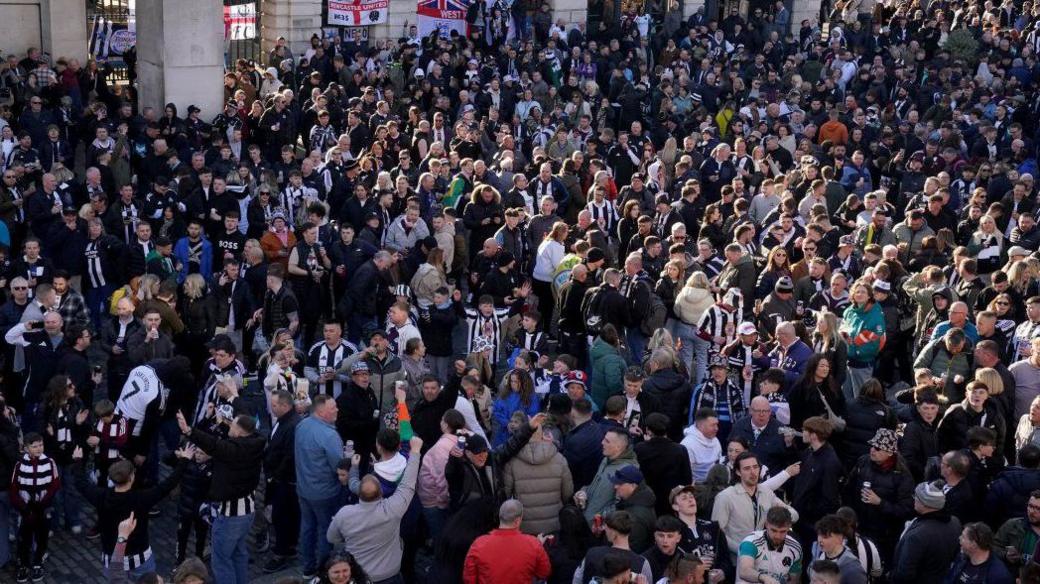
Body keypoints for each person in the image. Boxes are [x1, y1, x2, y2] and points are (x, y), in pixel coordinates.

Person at [175, 409, 265, 584]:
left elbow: (215, 445)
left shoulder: (235, 451)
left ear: (239, 432)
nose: (229, 425)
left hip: (230, 515)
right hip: (247, 511)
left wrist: (189, 431)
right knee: (238, 554)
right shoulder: (254, 443)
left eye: (232, 424)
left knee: (221, 561)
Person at [328, 434, 423, 584]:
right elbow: (407, 485)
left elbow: (332, 538)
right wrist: (415, 452)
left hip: (361, 574)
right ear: (380, 493)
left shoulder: (344, 514)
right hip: (391, 570)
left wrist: (353, 468)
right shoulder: (393, 509)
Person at [294, 394, 345, 580]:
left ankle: (307, 567)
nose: (337, 410)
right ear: (321, 411)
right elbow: (338, 466)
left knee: (307, 527)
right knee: (326, 531)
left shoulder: (302, 425)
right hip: (325, 493)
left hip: (303, 488)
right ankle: (324, 570)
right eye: (333, 408)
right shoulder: (329, 435)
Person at [712, 452, 799, 558]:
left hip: (761, 557)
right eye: (747, 468)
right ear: (738, 472)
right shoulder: (725, 496)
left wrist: (779, 515)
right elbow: (717, 532)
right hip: (735, 559)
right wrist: (742, 549)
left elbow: (793, 515)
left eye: (755, 467)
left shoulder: (766, 492)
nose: (753, 472)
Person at [501, 420, 573, 535]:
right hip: (553, 523)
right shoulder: (559, 459)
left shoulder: (512, 462)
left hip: (524, 526)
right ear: (541, 434)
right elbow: (567, 493)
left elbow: (506, 493)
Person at [462, 499, 551, 584]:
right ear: (517, 521)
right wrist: (538, 545)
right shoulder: (533, 543)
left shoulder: (478, 544)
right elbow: (544, 572)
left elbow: (469, 579)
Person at [889, 481, 962, 584]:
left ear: (925, 504)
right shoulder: (955, 522)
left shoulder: (917, 535)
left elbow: (904, 573)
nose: (913, 499)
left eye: (916, 497)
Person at [572, 510, 655, 583]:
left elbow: (577, 580)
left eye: (606, 527)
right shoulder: (642, 563)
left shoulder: (592, 553)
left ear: (613, 532)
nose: (604, 530)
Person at [735, 506, 802, 584]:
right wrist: (764, 578)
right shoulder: (751, 542)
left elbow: (793, 580)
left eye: (783, 531)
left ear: (789, 527)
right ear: (766, 524)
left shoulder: (795, 548)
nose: (778, 536)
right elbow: (744, 571)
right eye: (774, 530)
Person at [946, 522, 1015, 584]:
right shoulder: (962, 558)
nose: (959, 538)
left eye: (963, 537)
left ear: (973, 544)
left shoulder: (999, 576)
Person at [811, 515, 867, 584]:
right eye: (819, 535)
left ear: (840, 537)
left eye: (825, 537)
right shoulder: (817, 552)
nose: (820, 540)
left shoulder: (852, 568)